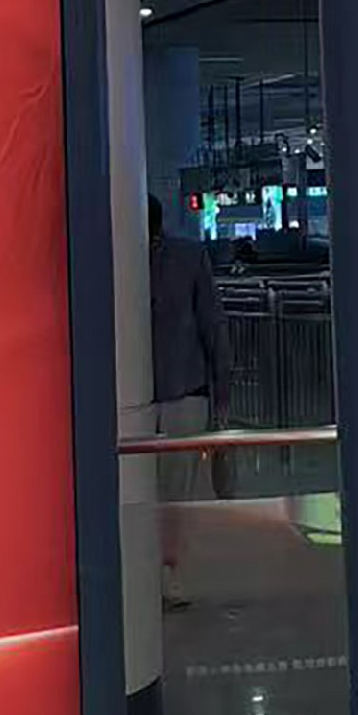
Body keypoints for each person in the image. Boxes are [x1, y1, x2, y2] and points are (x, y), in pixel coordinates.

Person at [149, 195, 231, 609]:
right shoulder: (190, 257)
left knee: (146, 493)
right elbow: (213, 325)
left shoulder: (109, 260)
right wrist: (221, 395)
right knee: (175, 494)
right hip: (184, 390)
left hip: (148, 396)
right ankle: (168, 574)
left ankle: (154, 571)